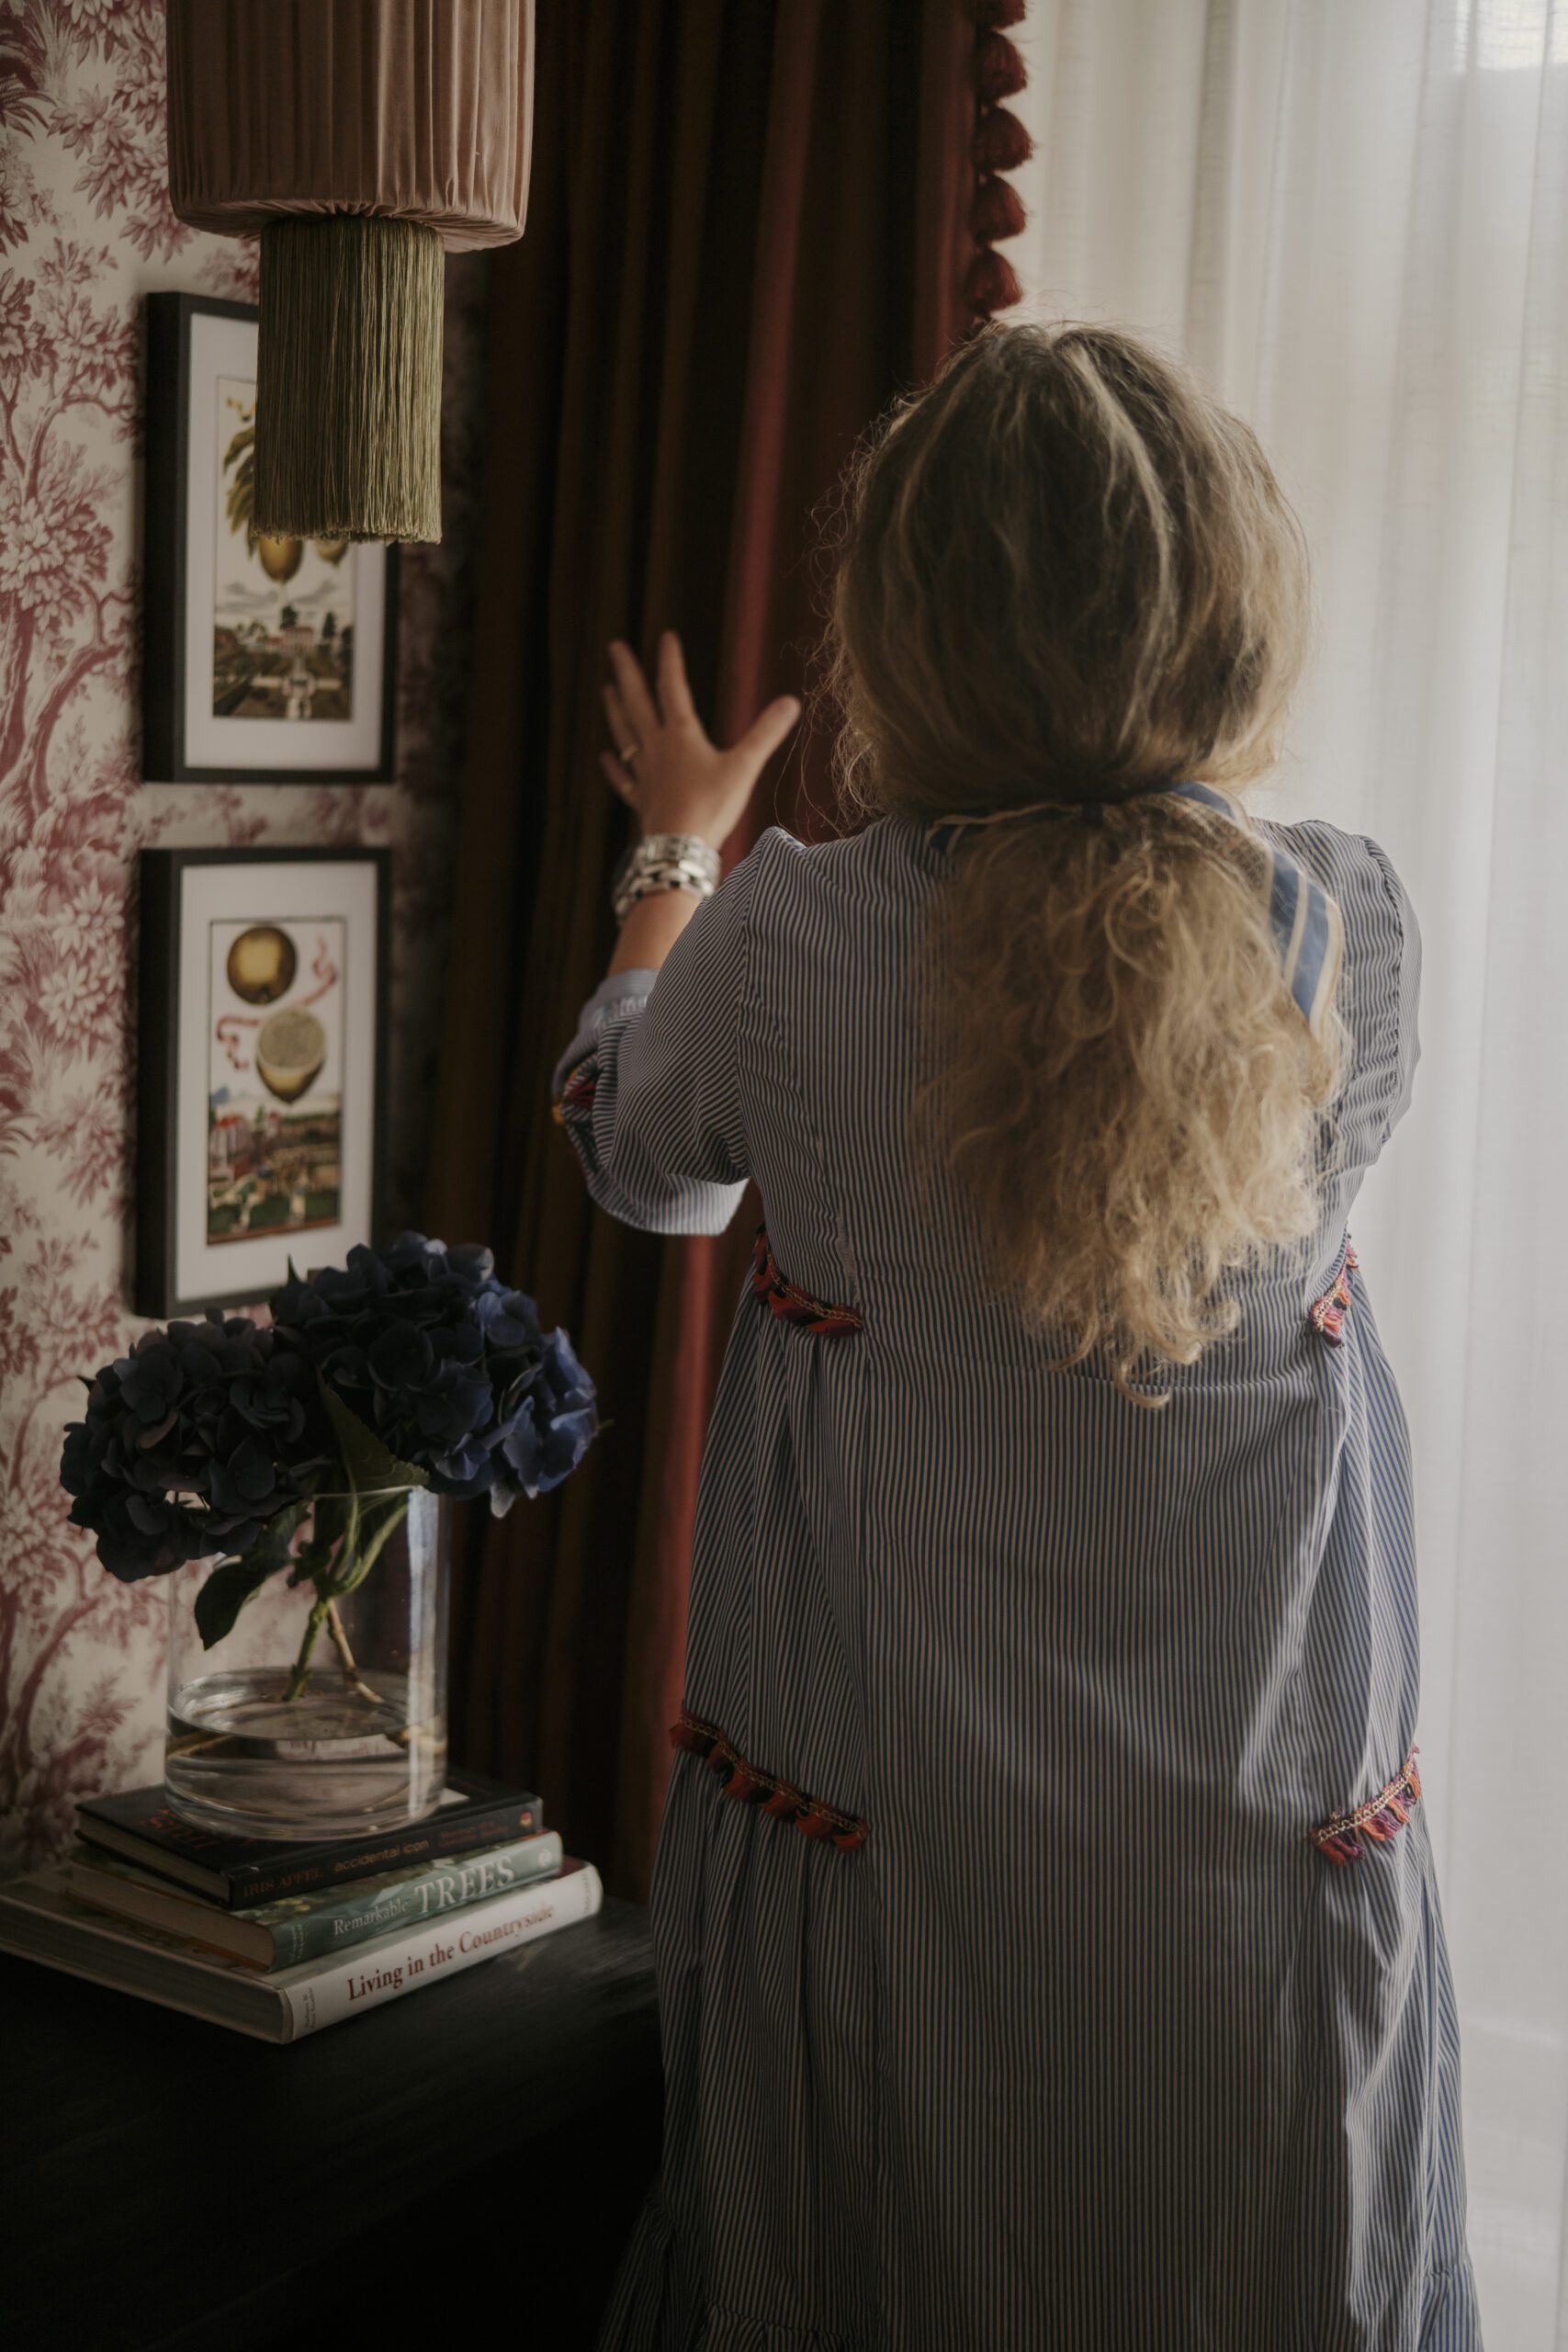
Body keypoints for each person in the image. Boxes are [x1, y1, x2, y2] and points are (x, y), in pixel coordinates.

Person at [555, 322, 1482, 2350]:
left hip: (904, 1902)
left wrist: (680, 847)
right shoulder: (1347, 926)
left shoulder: (794, 935)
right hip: (1248, 1919)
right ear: (1229, 604)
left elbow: (639, 1162)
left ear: (905, 626)